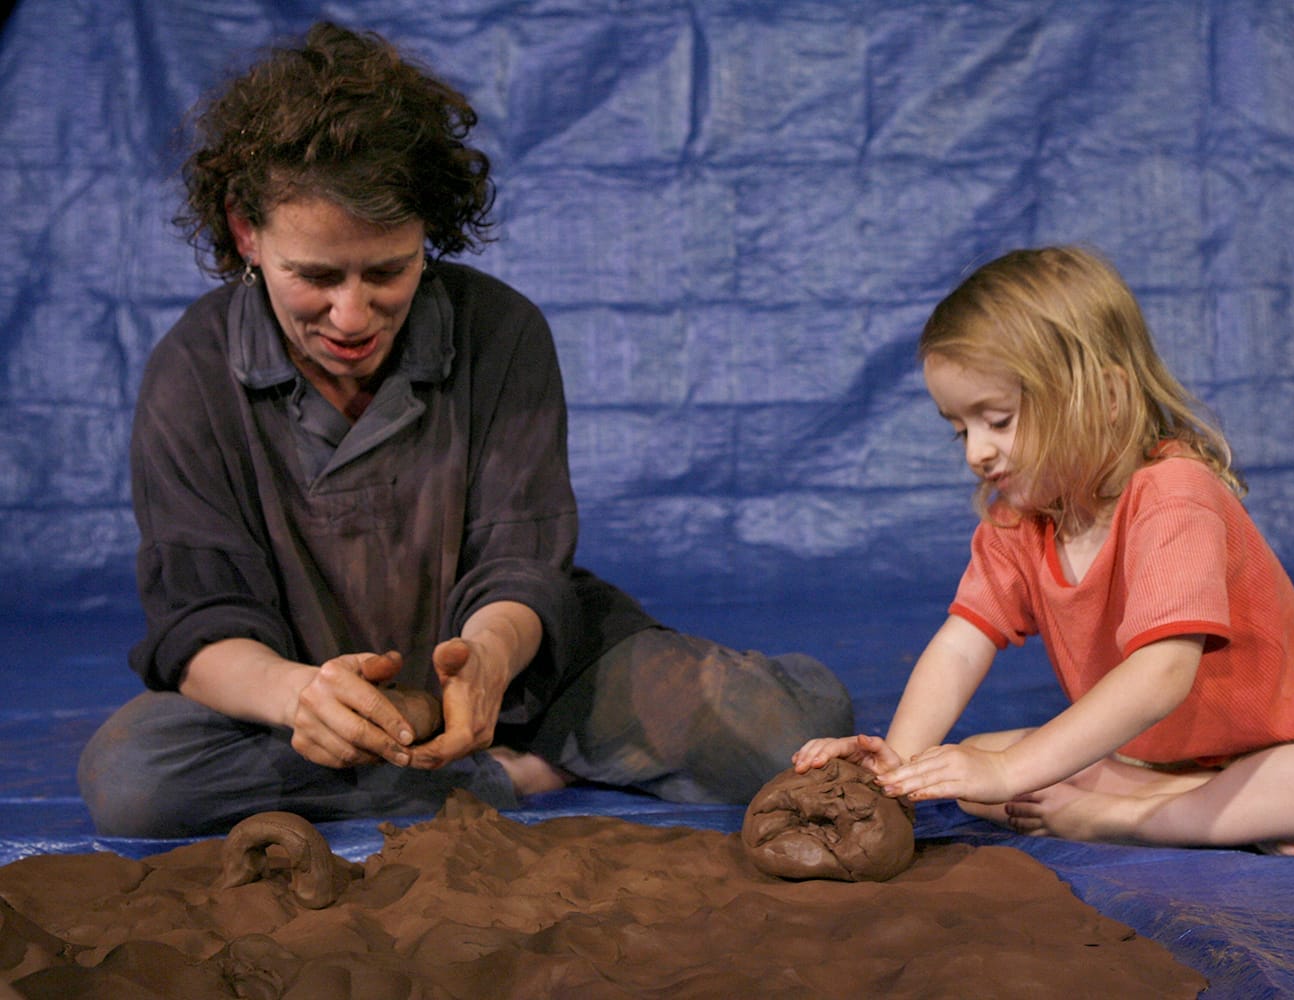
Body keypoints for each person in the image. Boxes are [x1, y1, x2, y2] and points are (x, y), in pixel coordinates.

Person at [77, 22, 852, 838]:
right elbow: (202, 618)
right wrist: (298, 696)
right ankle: (500, 776)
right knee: (135, 781)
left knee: (789, 736)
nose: (351, 315)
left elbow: (523, 563)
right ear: (246, 232)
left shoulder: (500, 332)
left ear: (427, 238)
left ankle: (460, 755)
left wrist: (484, 661)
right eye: (315, 277)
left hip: (515, 671)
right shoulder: (192, 371)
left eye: (388, 271)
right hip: (301, 691)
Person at [794, 245, 1294, 855]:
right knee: (968, 773)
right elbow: (961, 645)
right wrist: (900, 769)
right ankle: (1214, 808)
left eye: (999, 419)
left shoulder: (1175, 493)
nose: (976, 453)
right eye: (960, 429)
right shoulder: (1018, 520)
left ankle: (1133, 820)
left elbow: (1161, 675)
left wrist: (1012, 769)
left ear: (1105, 396)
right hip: (1150, 760)